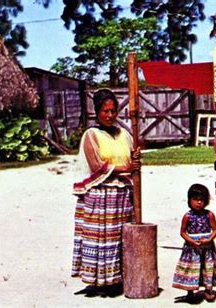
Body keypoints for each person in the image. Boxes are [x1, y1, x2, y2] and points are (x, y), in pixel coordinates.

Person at [71, 89, 141, 297]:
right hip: (100, 196)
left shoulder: (124, 134)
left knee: (119, 238)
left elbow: (131, 157)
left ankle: (116, 279)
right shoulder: (91, 135)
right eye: (105, 111)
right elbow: (97, 166)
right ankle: (99, 281)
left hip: (122, 196)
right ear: (97, 112)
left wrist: (135, 159)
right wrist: (125, 168)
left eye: (113, 111)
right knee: (102, 238)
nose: (110, 115)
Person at [172, 183, 216, 302]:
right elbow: (183, 232)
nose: (199, 202)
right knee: (191, 269)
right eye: (195, 199)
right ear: (189, 200)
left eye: (202, 200)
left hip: (207, 248)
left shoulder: (209, 215)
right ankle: (190, 291)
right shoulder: (187, 216)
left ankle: (208, 290)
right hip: (192, 249)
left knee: (207, 268)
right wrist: (192, 241)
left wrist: (209, 239)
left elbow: (215, 229)